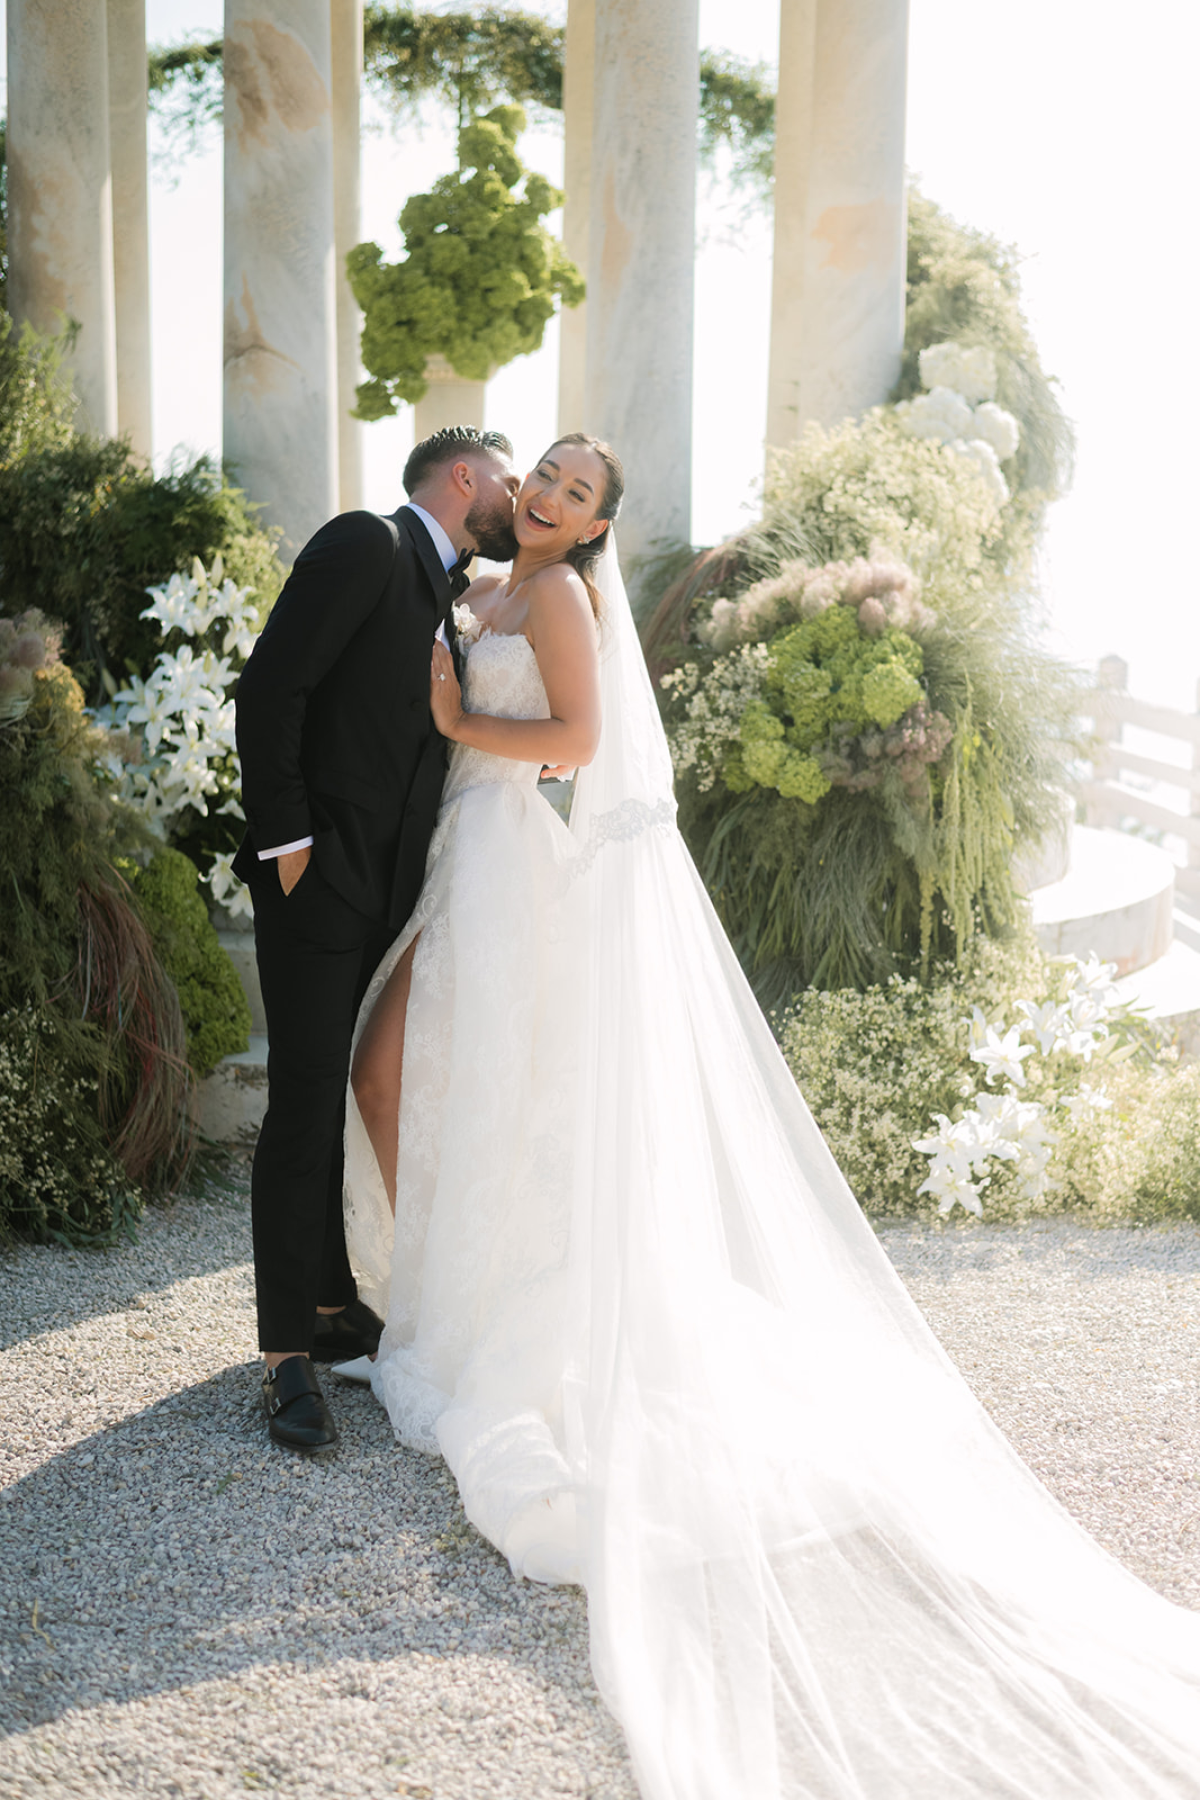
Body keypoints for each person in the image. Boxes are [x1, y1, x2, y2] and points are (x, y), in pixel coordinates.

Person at [341, 435, 1200, 1798]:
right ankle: (446, 1284)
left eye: (576, 488)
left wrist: (460, 727)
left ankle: (459, 1307)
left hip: (507, 851)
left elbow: (578, 743)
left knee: (427, 1070)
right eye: (546, 472)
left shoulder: (558, 597)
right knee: (435, 1075)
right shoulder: (495, 585)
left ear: (598, 523)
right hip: (465, 849)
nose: (551, 492)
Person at [232, 425, 520, 1455]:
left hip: (391, 898)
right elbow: (271, 688)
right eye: (508, 477)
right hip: (318, 886)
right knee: (303, 1105)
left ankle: (328, 1304)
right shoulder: (366, 541)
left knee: (339, 1097)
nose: (516, 496)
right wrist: (289, 848)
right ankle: (284, 1358)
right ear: (462, 475)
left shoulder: (449, 596)